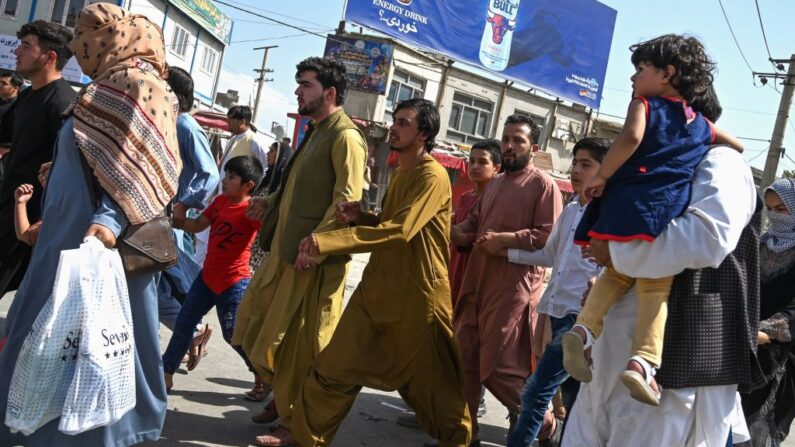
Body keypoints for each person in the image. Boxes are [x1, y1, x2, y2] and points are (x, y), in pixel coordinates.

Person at [0, 4, 181, 445]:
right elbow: (95, 152)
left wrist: (106, 219)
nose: (82, 45)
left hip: (99, 241)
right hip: (64, 232)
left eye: (90, 35)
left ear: (117, 37)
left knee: (99, 343)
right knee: (46, 337)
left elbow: (140, 164)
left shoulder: (140, 85)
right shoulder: (101, 86)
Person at [562, 85, 760, 446]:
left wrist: (617, 254)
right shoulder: (645, 163)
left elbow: (707, 237)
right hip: (615, 353)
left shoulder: (721, 162)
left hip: (680, 357)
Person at [290, 98, 471, 447]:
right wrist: (360, 216)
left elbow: (401, 231)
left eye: (404, 123)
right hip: (375, 295)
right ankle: (304, 439)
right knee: (332, 370)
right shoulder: (403, 172)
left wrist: (328, 241)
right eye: (395, 120)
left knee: (437, 394)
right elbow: (389, 227)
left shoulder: (432, 176)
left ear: (424, 134)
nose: (394, 127)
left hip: (418, 301)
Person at [231, 56, 366, 447]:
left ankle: (295, 422)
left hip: (312, 261)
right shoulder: (315, 131)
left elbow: (346, 201)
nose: (297, 90)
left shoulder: (345, 137)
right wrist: (269, 202)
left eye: (305, 84)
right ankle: (281, 398)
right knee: (255, 324)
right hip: (286, 253)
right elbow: (298, 190)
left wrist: (318, 245)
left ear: (330, 92)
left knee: (297, 345)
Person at [452, 114, 563, 443]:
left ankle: (545, 425)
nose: (510, 146)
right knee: (466, 358)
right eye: (506, 139)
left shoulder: (543, 185)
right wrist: (444, 228)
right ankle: (464, 436)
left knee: (500, 366)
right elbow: (472, 226)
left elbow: (548, 236)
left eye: (518, 140)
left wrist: (506, 239)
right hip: (477, 281)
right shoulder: (496, 183)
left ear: (534, 147)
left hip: (513, 287)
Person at [504, 138, 607, 447]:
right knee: (575, 398)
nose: (576, 170)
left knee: (536, 391)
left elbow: (614, 265)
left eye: (586, 164)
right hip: (558, 312)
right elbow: (550, 255)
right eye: (575, 162)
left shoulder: (610, 214)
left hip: (583, 317)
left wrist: (598, 283)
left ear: (606, 170)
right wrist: (506, 253)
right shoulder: (573, 208)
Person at [163, 155, 263, 391]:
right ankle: (166, 373)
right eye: (225, 175)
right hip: (207, 278)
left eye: (231, 177)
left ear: (248, 185)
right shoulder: (219, 202)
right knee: (184, 323)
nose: (225, 180)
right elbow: (197, 226)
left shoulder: (252, 211)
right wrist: (176, 221)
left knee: (233, 335)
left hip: (234, 282)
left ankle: (263, 374)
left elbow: (270, 235)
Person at [0, 20, 75, 298]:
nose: (17, 51)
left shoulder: (62, 103)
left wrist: (45, 218)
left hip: (30, 218)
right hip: (9, 203)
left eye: (26, 46)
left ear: (49, 56)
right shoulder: (27, 97)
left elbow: (71, 168)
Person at [156, 66, 219, 364]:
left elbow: (210, 173)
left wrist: (184, 203)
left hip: (169, 221)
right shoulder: (168, 121)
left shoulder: (185, 125)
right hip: (158, 218)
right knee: (157, 290)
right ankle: (192, 334)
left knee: (167, 286)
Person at [740, 179, 795, 447]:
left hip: (784, 352)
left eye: (783, 209)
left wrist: (768, 330)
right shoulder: (760, 243)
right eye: (771, 209)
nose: (776, 216)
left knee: (762, 429)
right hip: (746, 345)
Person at [449, 139, 501, 307]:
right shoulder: (466, 197)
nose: (475, 167)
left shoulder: (496, 201)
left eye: (482, 162)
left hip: (475, 271)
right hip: (454, 266)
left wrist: (463, 238)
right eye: (471, 161)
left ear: (496, 169)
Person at [248, 141, 293, 277]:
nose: (267, 154)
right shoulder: (266, 179)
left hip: (265, 240)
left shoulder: (282, 185)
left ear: (281, 156)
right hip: (251, 236)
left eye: (272, 151)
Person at [219, 105, 269, 186]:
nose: (228, 122)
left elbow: (265, 169)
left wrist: (251, 191)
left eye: (231, 119)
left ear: (241, 122)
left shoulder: (255, 141)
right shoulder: (233, 139)